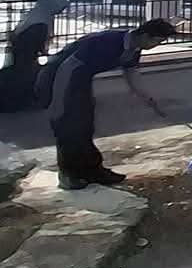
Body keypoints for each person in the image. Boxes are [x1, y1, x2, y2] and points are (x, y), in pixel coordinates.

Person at [40, 19, 177, 189]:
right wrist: (59, 102)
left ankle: (92, 170)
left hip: (81, 78)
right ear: (145, 35)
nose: (156, 45)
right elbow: (67, 67)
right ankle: (68, 174)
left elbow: (132, 73)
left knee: (85, 124)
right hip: (59, 77)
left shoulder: (133, 47)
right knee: (68, 125)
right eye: (157, 41)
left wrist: (149, 100)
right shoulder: (108, 41)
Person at [0, 0, 68, 112]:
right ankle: (20, 101)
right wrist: (42, 52)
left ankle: (20, 100)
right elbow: (37, 42)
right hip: (26, 53)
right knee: (25, 76)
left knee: (20, 73)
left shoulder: (33, 15)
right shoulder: (41, 22)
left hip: (20, 50)